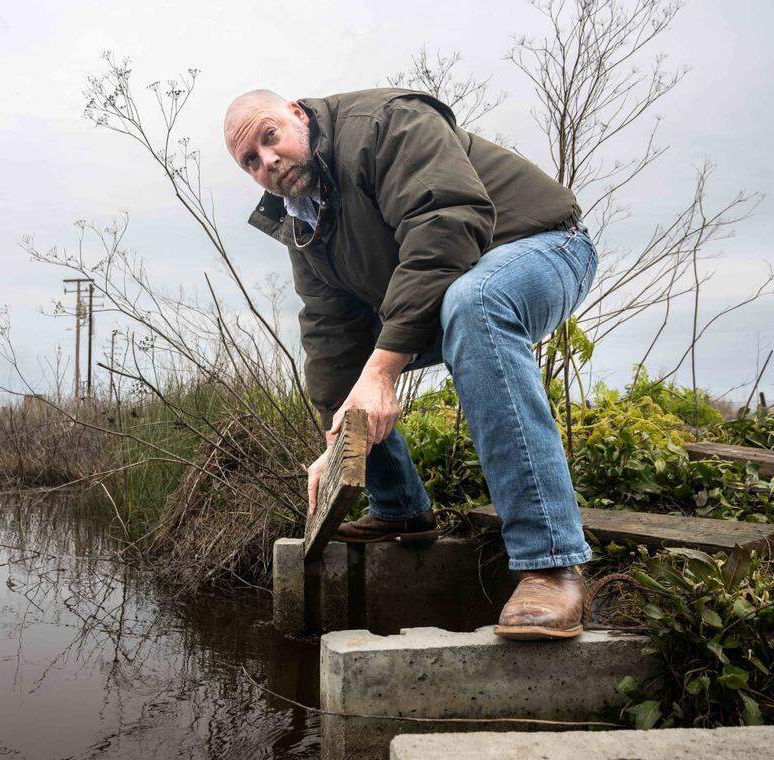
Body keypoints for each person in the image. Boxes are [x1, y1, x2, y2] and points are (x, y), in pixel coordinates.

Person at [223, 87, 597, 640]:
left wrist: (384, 371)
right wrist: (336, 442)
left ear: (298, 116)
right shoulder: (303, 225)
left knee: (476, 303)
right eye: (250, 161)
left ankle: (550, 563)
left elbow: (447, 223)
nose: (268, 162)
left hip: (542, 247)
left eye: (270, 138)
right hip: (452, 286)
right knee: (336, 371)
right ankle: (400, 509)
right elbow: (331, 337)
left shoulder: (383, 123)